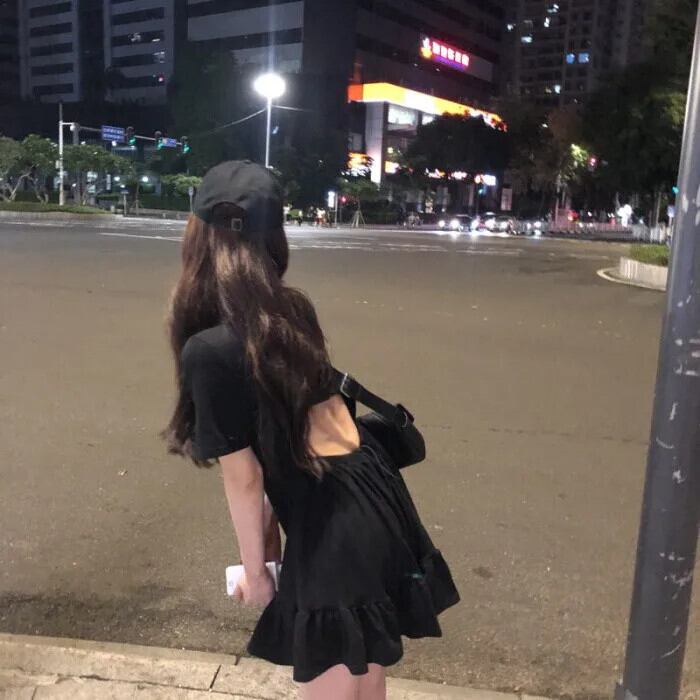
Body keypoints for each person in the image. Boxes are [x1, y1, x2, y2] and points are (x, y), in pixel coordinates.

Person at [163, 161, 459, 700]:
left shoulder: (209, 349)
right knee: (363, 671)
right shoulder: (290, 310)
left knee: (338, 676)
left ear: (197, 237)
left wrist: (257, 573)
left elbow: (246, 478)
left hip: (333, 530)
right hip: (373, 497)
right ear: (273, 238)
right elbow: (302, 438)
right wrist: (275, 549)